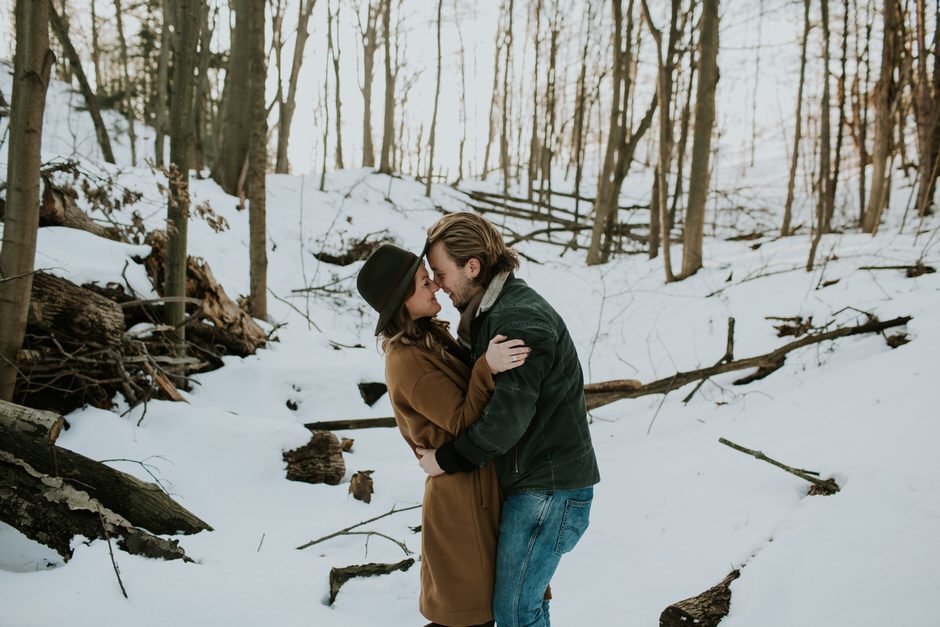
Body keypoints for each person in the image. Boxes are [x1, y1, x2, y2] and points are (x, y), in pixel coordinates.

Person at [416, 212, 600, 627]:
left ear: (473, 266)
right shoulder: (493, 313)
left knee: (517, 612)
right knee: (520, 608)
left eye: (441, 274)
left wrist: (446, 460)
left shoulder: (517, 320)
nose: (440, 286)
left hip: (549, 491)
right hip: (536, 485)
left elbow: (506, 420)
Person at [356, 243, 531, 627]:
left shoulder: (427, 338)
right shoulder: (407, 361)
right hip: (460, 503)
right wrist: (488, 366)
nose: (434, 285)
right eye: (423, 283)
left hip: (476, 485)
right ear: (403, 303)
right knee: (465, 617)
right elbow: (464, 420)